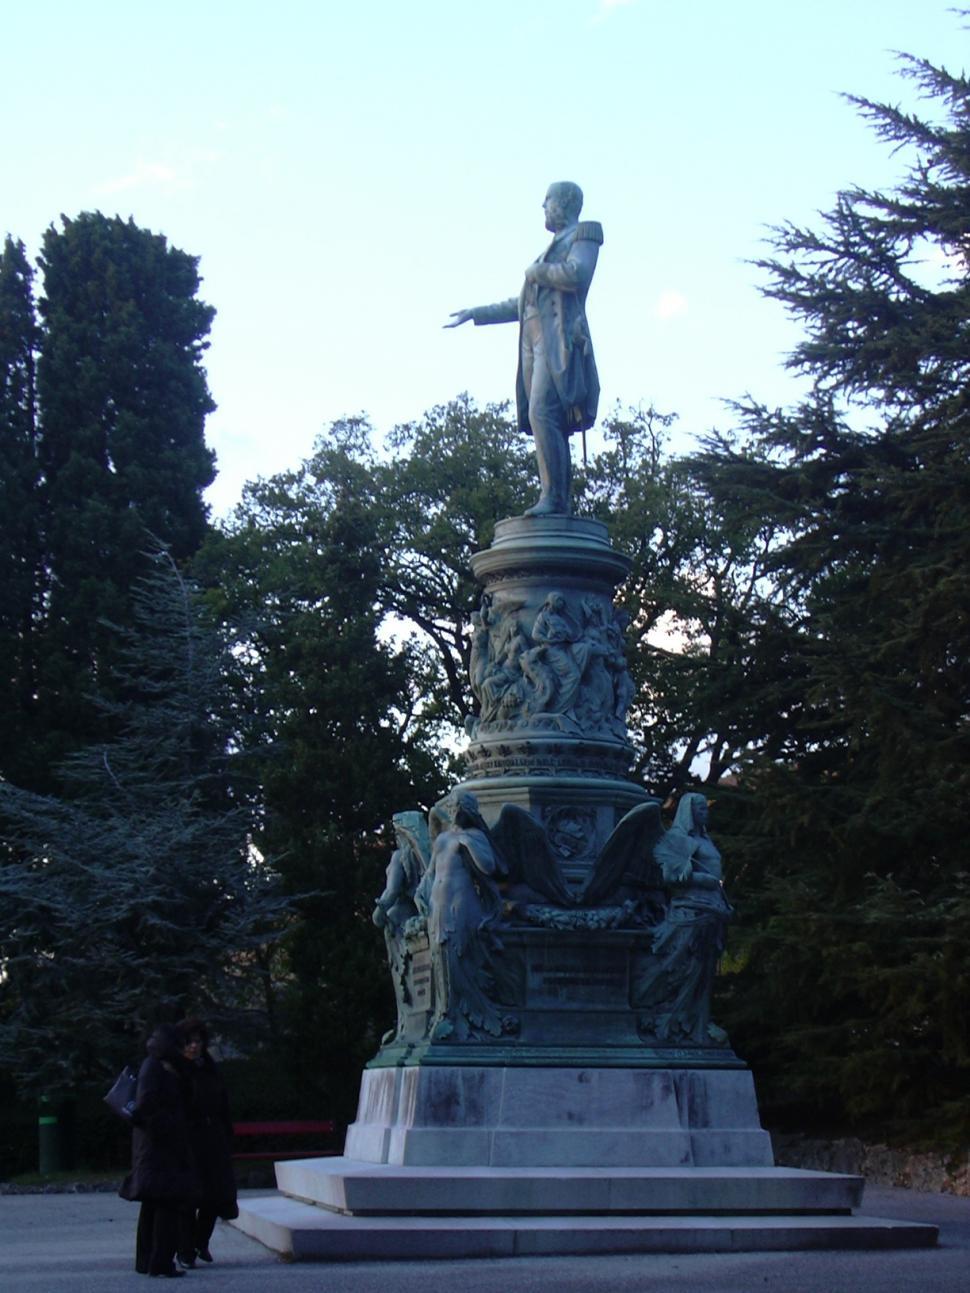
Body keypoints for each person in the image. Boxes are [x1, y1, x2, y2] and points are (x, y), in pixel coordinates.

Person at [446, 181, 603, 516]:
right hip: (532, 341)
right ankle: (556, 497)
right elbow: (521, 305)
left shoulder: (584, 234)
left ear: (564, 202)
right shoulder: (549, 250)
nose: (543, 206)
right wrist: (477, 313)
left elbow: (577, 274)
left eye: (547, 200)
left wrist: (537, 272)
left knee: (542, 412)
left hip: (556, 341)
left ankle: (554, 499)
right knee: (544, 417)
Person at [118, 1022, 198, 1278]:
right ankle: (160, 1261)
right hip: (161, 1147)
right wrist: (171, 1127)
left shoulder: (157, 1065)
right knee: (166, 1205)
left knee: (154, 1205)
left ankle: (148, 1261)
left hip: (154, 1147)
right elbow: (148, 1107)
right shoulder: (157, 1068)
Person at [174, 1018, 238, 1268]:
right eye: (189, 1042)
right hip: (189, 1139)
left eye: (197, 1041)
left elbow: (222, 1102)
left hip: (213, 1137)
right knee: (189, 1197)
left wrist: (226, 1133)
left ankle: (201, 1241)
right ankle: (185, 1249)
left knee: (214, 1194)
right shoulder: (177, 1070)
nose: (194, 1046)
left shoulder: (209, 1067)